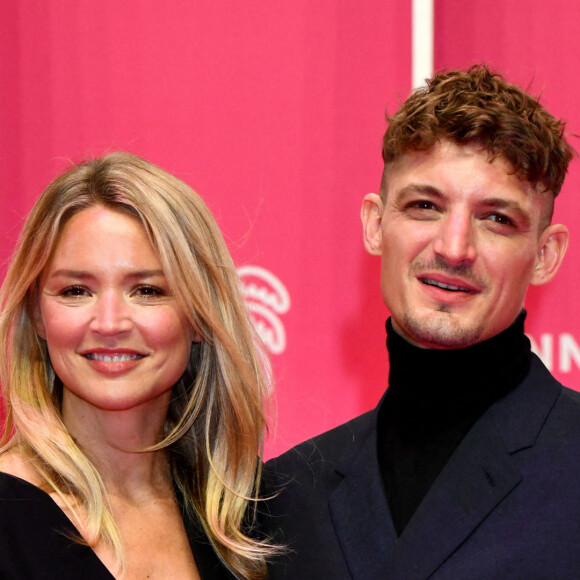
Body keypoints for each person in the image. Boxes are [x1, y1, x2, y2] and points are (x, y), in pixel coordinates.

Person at [261, 65, 580, 579]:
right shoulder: (285, 497)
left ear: (545, 254)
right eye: (425, 206)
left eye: (496, 218)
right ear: (375, 223)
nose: (454, 248)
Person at [0, 152, 276, 579]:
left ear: (200, 317)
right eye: (75, 290)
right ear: (37, 314)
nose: (109, 323)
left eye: (147, 290)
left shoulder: (245, 517)